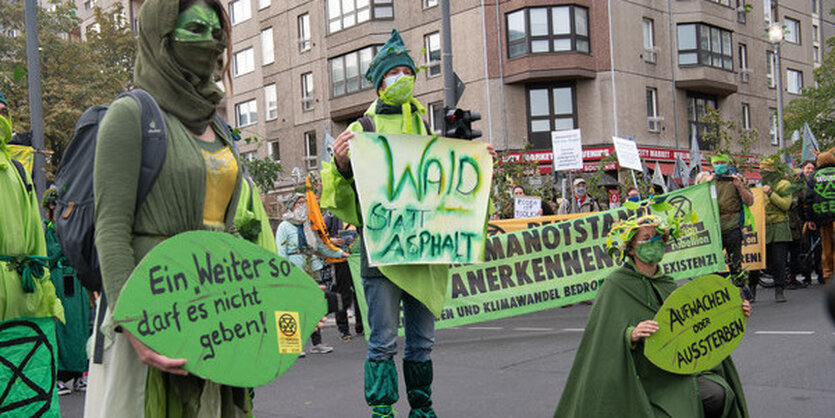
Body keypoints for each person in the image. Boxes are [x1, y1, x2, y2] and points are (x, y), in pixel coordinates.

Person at [86, 0, 253, 414]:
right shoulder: (131, 114)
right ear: (160, 35)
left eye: (216, 32)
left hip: (214, 311)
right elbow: (110, 228)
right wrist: (137, 327)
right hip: (152, 317)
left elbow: (226, 229)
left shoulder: (217, 125)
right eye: (194, 29)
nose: (210, 42)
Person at [322, 29, 495, 418]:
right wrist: (341, 164)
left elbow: (449, 189)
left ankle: (422, 409)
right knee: (382, 342)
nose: (402, 78)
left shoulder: (426, 130)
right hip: (383, 259)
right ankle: (382, 410)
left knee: (422, 345)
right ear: (379, 81)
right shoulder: (361, 132)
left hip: (424, 258)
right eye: (393, 72)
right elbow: (344, 201)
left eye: (407, 71)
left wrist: (477, 164)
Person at [555, 208, 751, 417]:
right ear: (630, 249)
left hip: (678, 368)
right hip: (642, 375)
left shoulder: (667, 283)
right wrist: (631, 334)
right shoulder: (616, 284)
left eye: (658, 238)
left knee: (718, 393)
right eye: (646, 238)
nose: (654, 242)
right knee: (693, 401)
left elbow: (695, 323)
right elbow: (602, 336)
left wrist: (734, 311)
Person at [0, 89, 64, 327]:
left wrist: (49, 299)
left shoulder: (19, 171)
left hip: (23, 297)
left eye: (4, 113)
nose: (1, 119)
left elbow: (37, 243)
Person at [276, 193, 348, 354]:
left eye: (304, 203)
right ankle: (294, 345)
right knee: (294, 307)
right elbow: (281, 253)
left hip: (313, 270)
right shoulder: (284, 227)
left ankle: (317, 343)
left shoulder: (308, 225)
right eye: (299, 203)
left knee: (314, 306)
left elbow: (320, 247)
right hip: (295, 270)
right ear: (291, 206)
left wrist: (338, 254)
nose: (303, 206)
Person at [42, 186, 92, 395]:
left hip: (77, 282)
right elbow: (49, 255)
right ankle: (63, 377)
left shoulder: (74, 227)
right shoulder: (48, 229)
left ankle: (79, 375)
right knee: (63, 327)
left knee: (80, 326)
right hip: (60, 282)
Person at [707, 155, 754, 298]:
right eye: (716, 163)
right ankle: (714, 294)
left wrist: (739, 186)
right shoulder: (707, 179)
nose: (720, 165)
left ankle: (740, 291)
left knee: (735, 262)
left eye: (722, 162)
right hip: (714, 228)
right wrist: (706, 186)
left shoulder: (737, 178)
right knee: (712, 264)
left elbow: (749, 201)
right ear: (712, 165)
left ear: (728, 163)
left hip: (733, 225)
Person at [753, 156, 791, 303]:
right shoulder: (758, 184)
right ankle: (752, 289)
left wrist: (770, 193)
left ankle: (780, 290)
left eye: (766, 169)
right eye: (761, 169)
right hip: (762, 227)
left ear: (774, 170)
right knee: (756, 261)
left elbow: (785, 205)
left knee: (779, 261)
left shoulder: (784, 184)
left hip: (779, 226)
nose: (763, 172)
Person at [324, 211, 363, 341]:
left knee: (360, 292)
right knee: (342, 294)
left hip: (357, 259)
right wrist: (332, 240)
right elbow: (319, 236)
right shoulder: (332, 215)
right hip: (340, 261)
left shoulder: (357, 212)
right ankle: (343, 329)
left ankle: (361, 325)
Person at [805, 149, 835, 285]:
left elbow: (808, 200)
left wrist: (810, 219)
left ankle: (828, 274)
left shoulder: (813, 177)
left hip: (823, 218)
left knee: (826, 247)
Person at [798, 160, 823, 285]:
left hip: (817, 219)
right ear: (803, 169)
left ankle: (820, 273)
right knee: (805, 248)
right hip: (803, 221)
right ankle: (806, 275)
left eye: (812, 168)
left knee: (819, 248)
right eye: (808, 168)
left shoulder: (818, 181)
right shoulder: (798, 183)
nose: (810, 171)